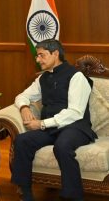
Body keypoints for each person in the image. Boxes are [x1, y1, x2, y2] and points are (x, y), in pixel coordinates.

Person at [12, 39, 97, 201]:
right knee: (22, 140)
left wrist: (42, 123)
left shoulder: (76, 76)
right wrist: (24, 107)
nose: (38, 60)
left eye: (41, 55)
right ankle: (26, 193)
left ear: (56, 54)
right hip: (52, 128)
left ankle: (72, 197)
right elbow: (22, 96)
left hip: (76, 127)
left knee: (62, 146)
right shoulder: (42, 78)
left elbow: (75, 112)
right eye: (37, 56)